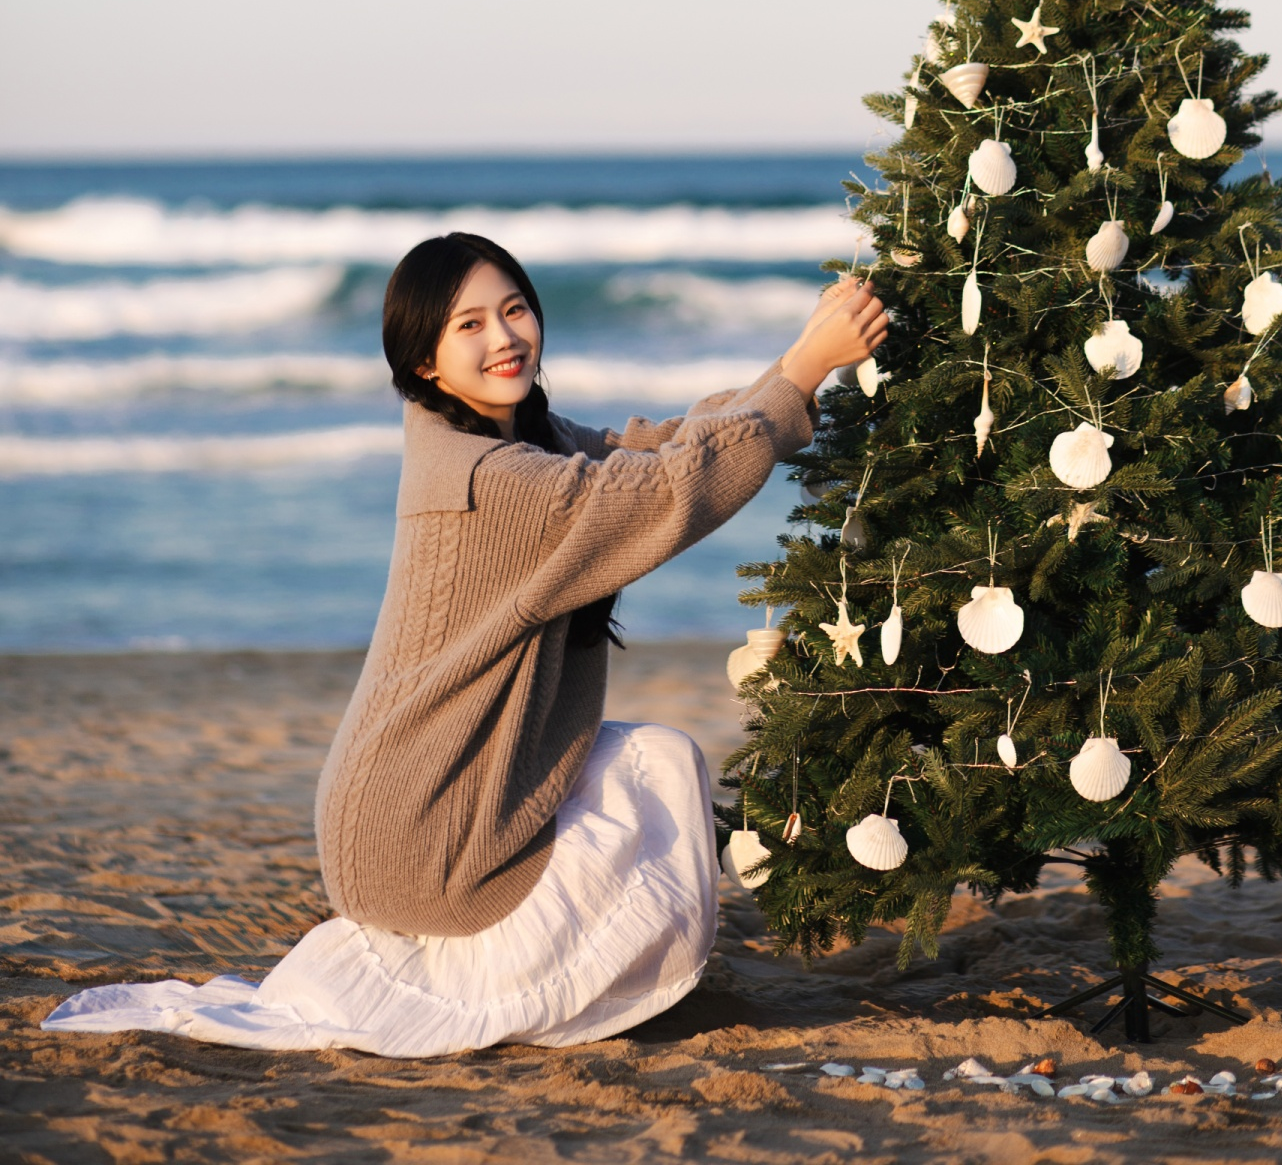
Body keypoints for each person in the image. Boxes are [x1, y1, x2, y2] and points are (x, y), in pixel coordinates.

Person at [44, 230, 887, 1056]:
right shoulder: (492, 481)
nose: (505, 336)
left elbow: (660, 447)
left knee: (633, 765)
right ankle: (559, 996)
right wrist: (809, 365)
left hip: (397, 807)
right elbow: (666, 493)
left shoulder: (511, 442)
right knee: (657, 766)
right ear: (423, 361)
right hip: (415, 831)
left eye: (514, 308)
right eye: (469, 325)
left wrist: (797, 361)